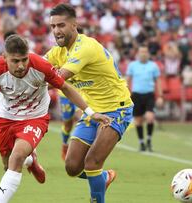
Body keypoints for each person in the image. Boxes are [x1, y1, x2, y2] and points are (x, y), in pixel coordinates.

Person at [0, 34, 111, 203]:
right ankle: (31, 160)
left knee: (16, 158)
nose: (21, 66)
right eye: (15, 61)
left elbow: (65, 87)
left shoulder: (40, 65)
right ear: (4, 58)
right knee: (8, 166)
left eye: (24, 59)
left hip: (35, 117)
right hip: (7, 117)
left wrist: (90, 112)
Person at [45, 4, 134, 203]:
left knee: (92, 162)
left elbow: (58, 78)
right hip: (92, 112)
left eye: (61, 25)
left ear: (74, 25)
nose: (56, 31)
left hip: (116, 109)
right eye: (53, 26)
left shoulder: (86, 47)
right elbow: (37, 67)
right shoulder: (57, 52)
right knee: (72, 167)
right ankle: (103, 178)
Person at [126, 45, 163, 152]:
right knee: (138, 120)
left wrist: (160, 96)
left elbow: (158, 81)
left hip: (149, 95)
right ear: (138, 53)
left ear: (148, 53)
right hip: (136, 95)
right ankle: (141, 142)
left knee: (150, 117)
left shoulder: (153, 66)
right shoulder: (132, 65)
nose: (143, 53)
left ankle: (149, 140)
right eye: (141, 51)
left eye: (145, 52)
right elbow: (128, 79)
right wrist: (127, 93)